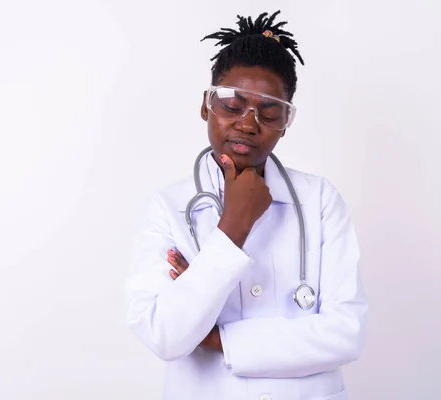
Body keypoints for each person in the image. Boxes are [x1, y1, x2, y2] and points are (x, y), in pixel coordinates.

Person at [124, 10, 368, 400]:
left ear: (286, 120)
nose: (248, 124)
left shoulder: (319, 200)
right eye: (232, 106)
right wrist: (233, 226)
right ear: (206, 106)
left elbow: (346, 333)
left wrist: (216, 338)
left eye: (269, 112)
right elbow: (165, 335)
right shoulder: (167, 208)